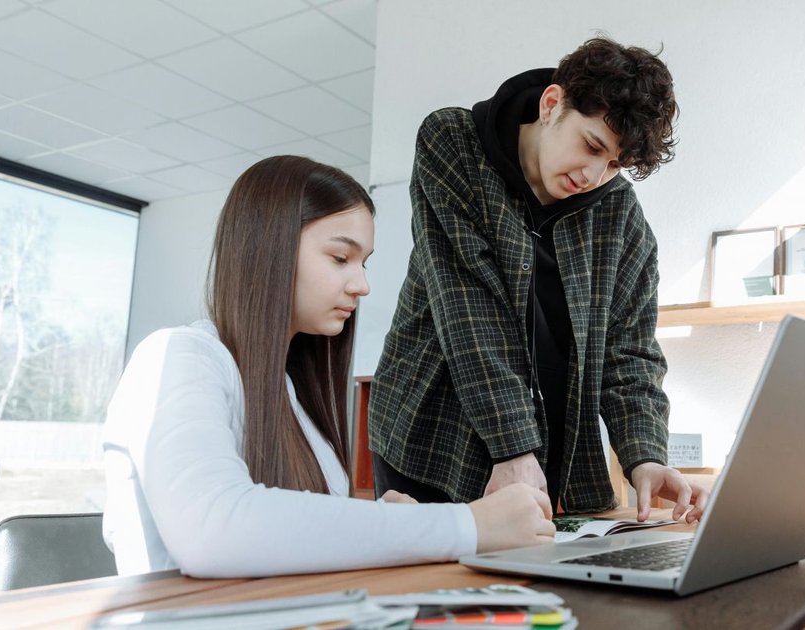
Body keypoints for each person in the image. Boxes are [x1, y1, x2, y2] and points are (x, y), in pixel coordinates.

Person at [101, 156, 554, 578]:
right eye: (340, 258)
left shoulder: (292, 393)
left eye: (363, 263)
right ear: (268, 247)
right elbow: (211, 530)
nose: (362, 285)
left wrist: (389, 524)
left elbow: (297, 533)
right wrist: (466, 525)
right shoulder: (178, 356)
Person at [369, 37, 708, 522]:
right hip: (432, 437)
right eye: (591, 145)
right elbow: (468, 305)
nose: (594, 174)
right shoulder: (455, 142)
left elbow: (630, 352)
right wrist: (511, 448)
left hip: (543, 451)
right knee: (440, 590)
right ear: (552, 104)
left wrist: (645, 455)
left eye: (615, 164)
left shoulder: (621, 219)